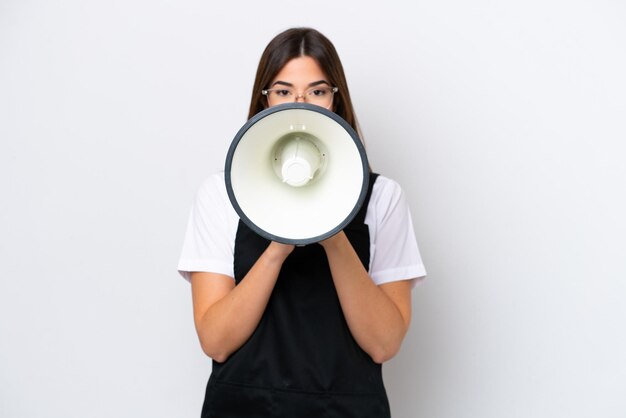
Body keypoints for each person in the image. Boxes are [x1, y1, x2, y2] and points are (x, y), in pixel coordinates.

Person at [178, 27, 426, 418]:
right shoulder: (220, 196)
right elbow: (216, 340)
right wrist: (279, 242)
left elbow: (384, 344)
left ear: (335, 99)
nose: (300, 104)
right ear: (263, 101)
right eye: (282, 91)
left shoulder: (383, 198)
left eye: (317, 90)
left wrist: (332, 232)